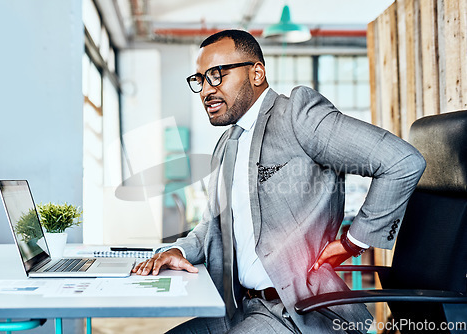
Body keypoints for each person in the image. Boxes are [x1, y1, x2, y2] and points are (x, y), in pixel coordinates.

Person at [133, 29, 426, 333]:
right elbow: (213, 224)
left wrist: (352, 242)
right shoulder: (226, 144)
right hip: (238, 307)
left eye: (217, 74)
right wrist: (177, 251)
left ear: (256, 73)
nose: (206, 90)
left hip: (296, 313)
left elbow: (401, 161)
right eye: (200, 80)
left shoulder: (298, 116)